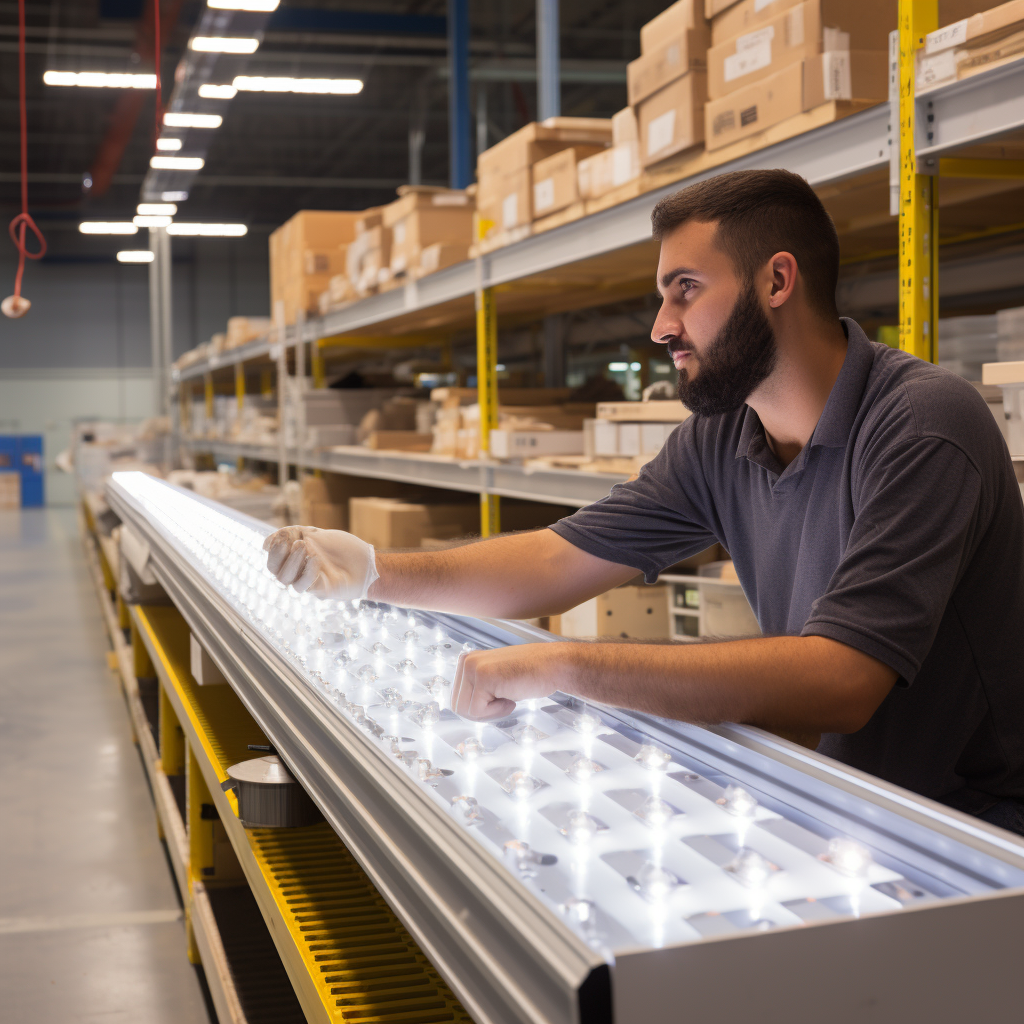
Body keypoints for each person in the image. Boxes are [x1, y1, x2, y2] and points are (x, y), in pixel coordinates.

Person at [263, 168, 1024, 833]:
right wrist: (371, 571)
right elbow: (559, 558)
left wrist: (569, 664)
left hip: (972, 833)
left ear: (777, 281)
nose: (662, 326)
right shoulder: (723, 439)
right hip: (844, 804)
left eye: (684, 291)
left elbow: (841, 681)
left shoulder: (922, 424)